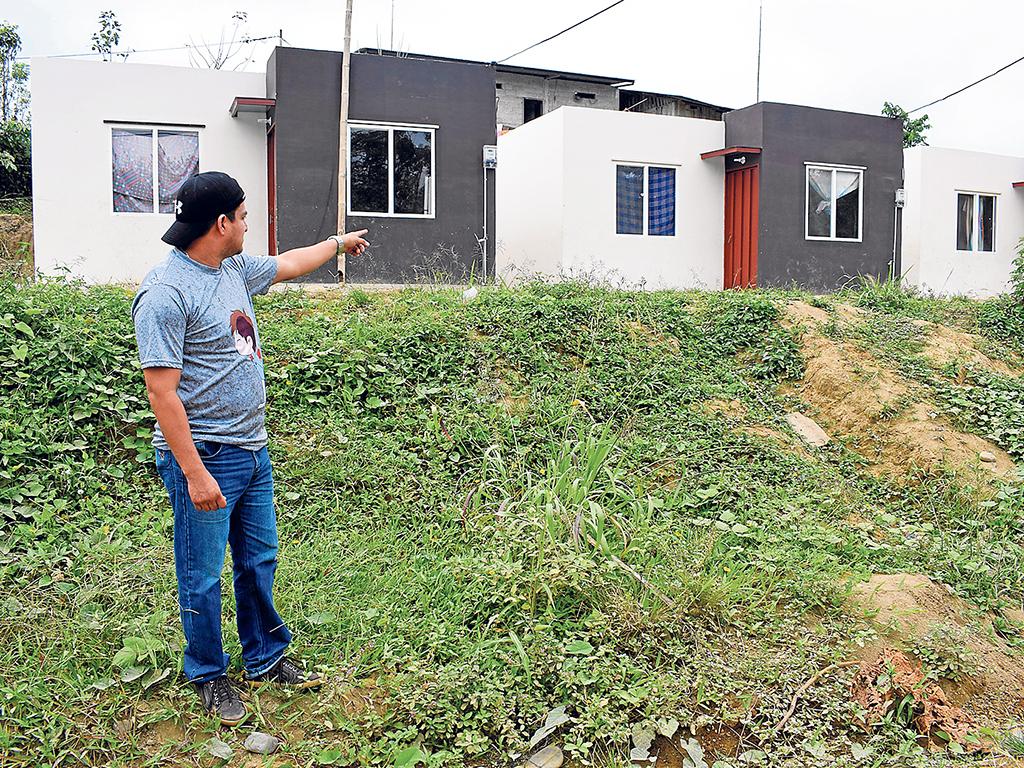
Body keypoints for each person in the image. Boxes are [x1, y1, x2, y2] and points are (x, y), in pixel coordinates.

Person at [131, 171, 369, 725]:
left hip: (253, 450)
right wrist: (193, 473)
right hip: (208, 456)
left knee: (257, 560)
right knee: (202, 572)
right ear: (221, 223)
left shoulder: (233, 268)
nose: (247, 225)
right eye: (242, 217)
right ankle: (209, 674)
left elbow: (288, 263)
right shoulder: (165, 293)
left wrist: (339, 244)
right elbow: (161, 392)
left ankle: (264, 657)